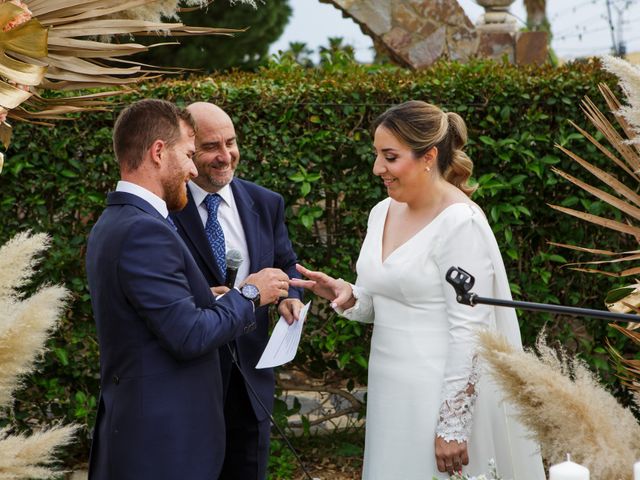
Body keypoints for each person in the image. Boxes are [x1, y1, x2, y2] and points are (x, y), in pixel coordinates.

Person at [290, 101, 545, 480]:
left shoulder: (459, 223)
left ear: (428, 157)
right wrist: (348, 294)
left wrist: (452, 426)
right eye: (377, 155)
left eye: (389, 157)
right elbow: (390, 297)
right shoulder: (382, 211)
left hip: (437, 392)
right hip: (390, 387)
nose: (378, 168)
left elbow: (472, 331)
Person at [85, 99, 291, 480]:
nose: (194, 168)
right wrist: (247, 295)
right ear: (159, 152)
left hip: (152, 433)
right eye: (188, 154)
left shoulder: (118, 221)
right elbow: (188, 335)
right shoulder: (144, 229)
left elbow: (158, 315)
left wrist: (207, 300)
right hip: (163, 443)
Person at [170, 102, 304, 480]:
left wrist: (291, 295)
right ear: (188, 148)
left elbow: (286, 262)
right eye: (212, 146)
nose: (226, 155)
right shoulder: (163, 209)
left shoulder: (266, 202)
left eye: (231, 142)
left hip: (251, 378)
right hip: (192, 378)